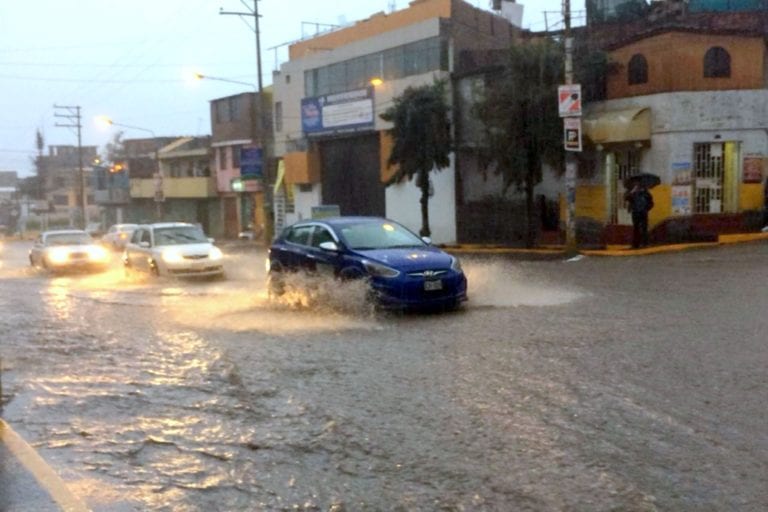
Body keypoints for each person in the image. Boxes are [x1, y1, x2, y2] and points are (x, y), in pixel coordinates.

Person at [625, 183, 654, 248]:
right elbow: (627, 198)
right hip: (635, 212)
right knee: (636, 228)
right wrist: (632, 191)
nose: (639, 187)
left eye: (640, 186)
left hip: (643, 213)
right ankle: (636, 244)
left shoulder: (646, 194)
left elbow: (651, 203)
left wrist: (646, 208)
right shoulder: (633, 193)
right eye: (637, 186)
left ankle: (645, 243)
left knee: (644, 228)